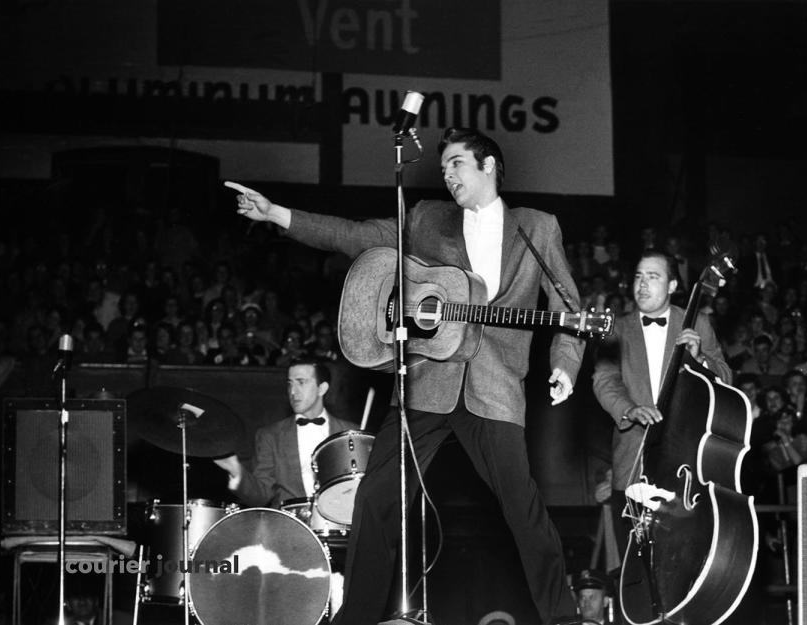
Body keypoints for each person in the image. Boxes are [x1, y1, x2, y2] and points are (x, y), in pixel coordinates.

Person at [231, 127, 587, 625]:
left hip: (496, 388)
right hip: (425, 382)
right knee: (376, 499)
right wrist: (278, 215)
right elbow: (354, 237)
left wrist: (564, 365)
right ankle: (354, 618)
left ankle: (565, 619)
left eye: (457, 164)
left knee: (523, 508)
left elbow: (570, 306)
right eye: (443, 168)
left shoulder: (537, 227)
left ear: (488, 166)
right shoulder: (428, 219)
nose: (447, 175)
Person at [591, 251, 731, 558]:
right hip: (632, 459)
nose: (642, 285)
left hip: (685, 461)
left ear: (671, 286)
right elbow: (604, 379)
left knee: (684, 556)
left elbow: (726, 378)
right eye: (638, 277)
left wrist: (701, 361)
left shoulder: (697, 322)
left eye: (652, 277)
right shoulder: (616, 328)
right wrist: (629, 409)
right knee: (633, 561)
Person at [213, 357, 358, 507]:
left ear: (322, 388)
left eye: (301, 382)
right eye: (290, 384)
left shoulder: (350, 433)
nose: (293, 392)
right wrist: (238, 473)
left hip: (339, 525)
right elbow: (262, 496)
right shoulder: (271, 436)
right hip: (289, 526)